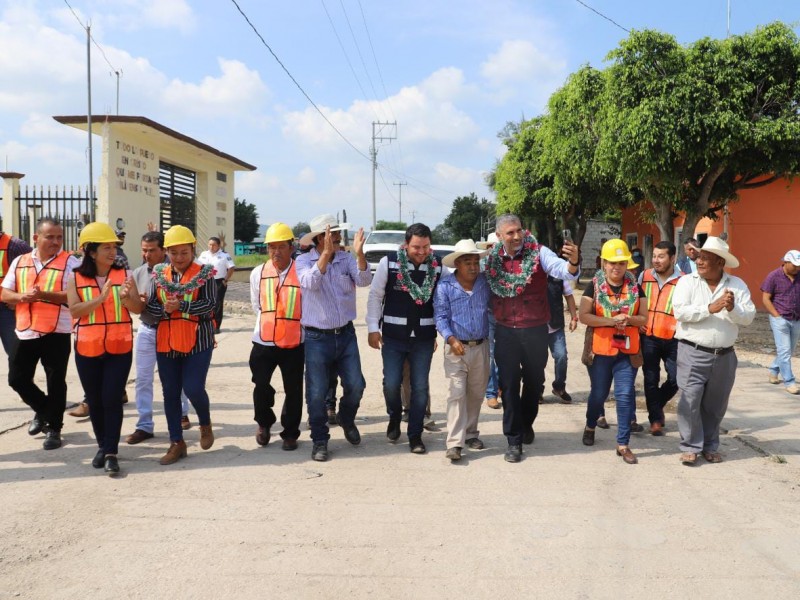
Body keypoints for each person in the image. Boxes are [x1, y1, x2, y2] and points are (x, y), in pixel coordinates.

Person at [485, 214, 580, 463]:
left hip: (536, 330)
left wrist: (573, 263)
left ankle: (526, 423)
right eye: (510, 233)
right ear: (499, 236)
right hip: (505, 331)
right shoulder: (492, 259)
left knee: (535, 382)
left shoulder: (539, 252)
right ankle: (513, 440)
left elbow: (562, 271)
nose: (516, 237)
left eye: (518, 231)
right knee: (509, 384)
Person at [66, 223, 143, 475]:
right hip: (87, 348)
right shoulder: (75, 277)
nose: (113, 252)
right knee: (95, 400)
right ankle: (103, 446)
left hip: (119, 347)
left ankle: (110, 452)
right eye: (107, 247)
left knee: (111, 398)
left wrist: (128, 297)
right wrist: (100, 299)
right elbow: (75, 311)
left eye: (114, 247)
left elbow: (137, 309)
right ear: (91, 251)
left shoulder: (125, 275)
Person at [673, 237, 755, 465]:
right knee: (689, 401)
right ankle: (690, 446)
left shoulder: (737, 285)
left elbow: (748, 317)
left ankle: (709, 446)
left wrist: (732, 307)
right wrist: (710, 308)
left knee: (715, 405)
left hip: (725, 356)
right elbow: (680, 312)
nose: (700, 261)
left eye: (706, 258)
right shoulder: (686, 282)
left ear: (720, 262)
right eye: (699, 257)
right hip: (692, 352)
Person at [296, 214, 371, 462]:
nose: (338, 237)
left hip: (346, 334)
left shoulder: (347, 258)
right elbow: (309, 283)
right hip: (317, 338)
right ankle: (320, 440)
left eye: (338, 233)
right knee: (316, 393)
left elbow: (363, 280)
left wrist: (360, 254)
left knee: (356, 385)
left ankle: (346, 418)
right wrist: (325, 256)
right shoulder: (304, 261)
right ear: (320, 238)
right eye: (333, 233)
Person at [1, 218, 81, 449]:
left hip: (57, 330)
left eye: (59, 237)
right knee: (16, 379)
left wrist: (44, 294)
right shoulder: (20, 261)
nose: (56, 242)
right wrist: (21, 297)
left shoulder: (71, 263)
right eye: (50, 237)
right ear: (36, 238)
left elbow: (74, 295)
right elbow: (5, 293)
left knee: (56, 381)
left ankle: (54, 428)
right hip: (25, 330)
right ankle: (44, 410)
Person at [367, 223, 443, 454]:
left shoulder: (438, 266)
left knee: (419, 387)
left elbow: (448, 294)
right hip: (393, 336)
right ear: (406, 245)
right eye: (416, 247)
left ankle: (415, 434)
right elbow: (375, 295)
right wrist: (372, 327)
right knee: (391, 383)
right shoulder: (388, 263)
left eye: (426, 247)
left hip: (423, 338)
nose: (421, 252)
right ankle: (393, 416)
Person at [146, 225, 217, 465]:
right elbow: (151, 306)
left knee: (194, 387)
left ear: (192, 249)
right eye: (174, 253)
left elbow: (210, 304)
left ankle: (205, 423)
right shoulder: (158, 273)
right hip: (167, 340)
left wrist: (183, 307)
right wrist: (164, 310)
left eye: (184, 252)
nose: (179, 258)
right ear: (166, 251)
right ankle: (177, 442)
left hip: (198, 339)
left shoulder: (205, 273)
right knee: (170, 393)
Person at [579, 239, 648, 464]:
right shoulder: (594, 286)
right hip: (601, 351)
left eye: (621, 263)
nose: (616, 267)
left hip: (627, 352)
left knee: (625, 395)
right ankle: (590, 425)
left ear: (627, 264)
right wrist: (610, 320)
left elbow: (644, 318)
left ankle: (623, 444)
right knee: (598, 395)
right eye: (611, 263)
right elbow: (584, 316)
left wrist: (628, 318)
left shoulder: (636, 288)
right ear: (603, 264)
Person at [125, 230, 192, 445]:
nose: (147, 255)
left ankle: (182, 413)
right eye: (144, 250)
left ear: (163, 250)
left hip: (172, 329)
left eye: (152, 250)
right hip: (147, 329)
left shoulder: (177, 272)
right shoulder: (138, 273)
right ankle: (144, 424)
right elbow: (136, 308)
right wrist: (132, 300)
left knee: (175, 378)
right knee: (143, 378)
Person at [249, 223, 304, 451]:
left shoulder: (301, 272)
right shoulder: (258, 273)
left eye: (281, 246)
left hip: (293, 342)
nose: (276, 252)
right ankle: (264, 422)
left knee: (293, 389)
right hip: (264, 341)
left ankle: (290, 433)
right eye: (272, 247)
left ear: (291, 247)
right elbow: (256, 306)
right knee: (260, 384)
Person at [434, 240, 490, 461]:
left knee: (476, 394)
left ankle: (471, 433)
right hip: (456, 348)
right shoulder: (445, 286)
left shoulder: (485, 283)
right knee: (456, 393)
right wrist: (450, 338)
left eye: (476, 261)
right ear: (457, 263)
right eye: (468, 262)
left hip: (481, 346)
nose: (473, 267)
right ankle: (454, 443)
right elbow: (440, 316)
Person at [638, 241, 683, 435]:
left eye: (661, 256)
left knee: (677, 378)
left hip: (674, 337)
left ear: (672, 258)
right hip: (648, 336)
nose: (656, 260)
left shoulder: (684, 280)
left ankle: (656, 404)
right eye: (654, 256)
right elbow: (636, 300)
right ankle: (655, 419)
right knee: (650, 379)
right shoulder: (644, 276)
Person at [760, 249, 800, 395]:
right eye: (794, 265)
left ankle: (773, 370)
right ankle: (790, 382)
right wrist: (776, 316)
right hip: (780, 318)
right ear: (786, 262)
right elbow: (766, 298)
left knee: (788, 350)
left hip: (796, 319)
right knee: (784, 351)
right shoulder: (774, 276)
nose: (797, 268)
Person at [0, 231, 32, 376]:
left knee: (16, 353)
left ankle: (25, 386)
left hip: (7, 309)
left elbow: (35, 271)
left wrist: (17, 297)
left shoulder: (15, 246)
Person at [477, 233, 501, 410]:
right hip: (488, 314)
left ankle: (501, 387)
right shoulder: (480, 267)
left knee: (505, 355)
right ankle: (491, 393)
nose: (492, 249)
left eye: (496, 246)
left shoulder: (511, 267)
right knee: (490, 355)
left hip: (508, 317)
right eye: (490, 247)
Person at [546, 274, 578, 404]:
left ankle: (559, 387)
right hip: (535, 327)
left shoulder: (558, 278)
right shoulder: (529, 274)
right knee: (537, 361)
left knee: (561, 356)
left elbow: (569, 297)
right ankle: (537, 390)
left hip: (555, 326)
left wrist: (574, 318)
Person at [198, 236, 235, 333]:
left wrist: (225, 280)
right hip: (205, 281)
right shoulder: (204, 254)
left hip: (218, 282)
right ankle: (205, 324)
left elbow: (231, 268)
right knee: (203, 302)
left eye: (214, 245)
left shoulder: (224, 255)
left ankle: (216, 326)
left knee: (217, 303)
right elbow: (197, 266)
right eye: (210, 244)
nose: (211, 246)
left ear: (218, 245)